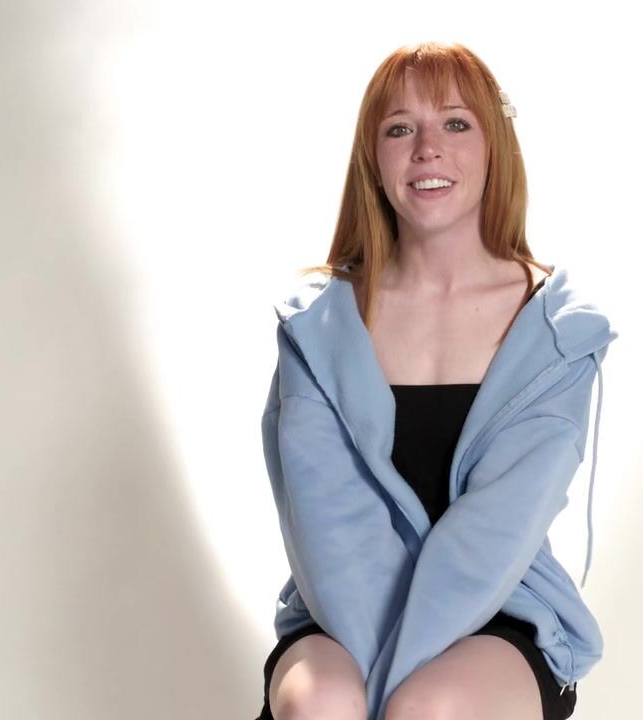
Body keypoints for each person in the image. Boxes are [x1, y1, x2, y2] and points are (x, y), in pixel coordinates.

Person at [256, 41, 616, 720]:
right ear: (373, 157)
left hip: (503, 610)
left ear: (493, 146)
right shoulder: (316, 326)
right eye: (400, 129)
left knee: (428, 708)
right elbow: (328, 530)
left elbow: (493, 537)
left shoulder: (556, 332)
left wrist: (388, 699)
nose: (427, 148)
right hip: (338, 609)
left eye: (455, 123)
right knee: (322, 703)